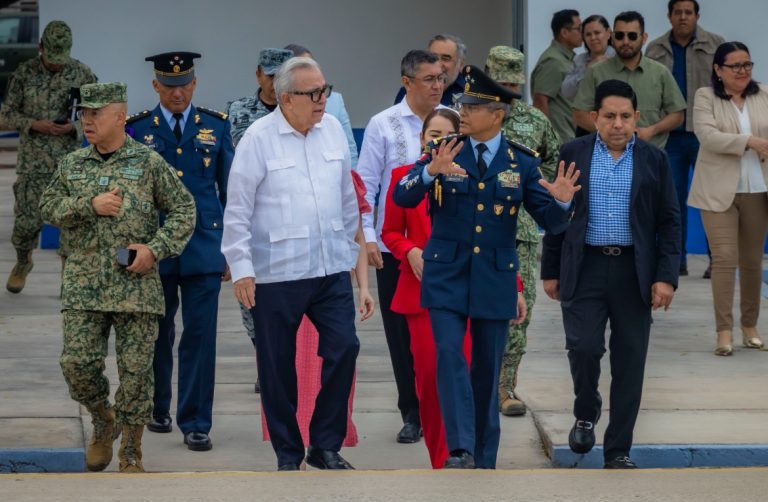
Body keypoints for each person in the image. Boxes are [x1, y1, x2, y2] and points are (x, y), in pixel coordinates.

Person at [394, 65, 578, 469]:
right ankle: (460, 448)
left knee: (486, 370)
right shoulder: (444, 150)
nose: (462, 112)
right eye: (461, 105)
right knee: (449, 356)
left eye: (472, 107)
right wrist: (429, 172)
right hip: (446, 276)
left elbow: (550, 221)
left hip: (494, 279)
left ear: (497, 114)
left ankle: (483, 458)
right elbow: (402, 196)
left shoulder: (521, 162)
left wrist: (563, 201)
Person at [39, 82, 196, 473]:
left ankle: (130, 450)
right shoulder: (73, 164)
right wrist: (88, 204)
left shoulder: (147, 162)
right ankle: (102, 417)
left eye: (96, 113)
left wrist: (154, 249)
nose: (87, 121)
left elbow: (184, 209)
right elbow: (48, 206)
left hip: (135, 288)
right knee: (76, 364)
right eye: (84, 113)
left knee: (136, 374)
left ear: (120, 117)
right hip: (84, 286)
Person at [221, 57, 360, 471]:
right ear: (285, 98)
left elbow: (347, 198)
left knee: (345, 348)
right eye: (312, 93)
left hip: (330, 268)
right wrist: (242, 269)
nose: (322, 100)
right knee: (277, 366)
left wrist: (350, 253)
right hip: (277, 272)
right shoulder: (258, 139)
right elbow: (237, 210)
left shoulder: (332, 130)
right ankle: (288, 452)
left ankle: (325, 444)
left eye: (324, 90)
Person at [541, 79, 681, 469]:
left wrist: (666, 276)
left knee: (630, 360)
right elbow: (558, 212)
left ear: (636, 117)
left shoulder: (654, 160)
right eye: (609, 116)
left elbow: (670, 222)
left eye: (624, 116)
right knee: (583, 347)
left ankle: (618, 449)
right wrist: (550, 269)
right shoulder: (574, 153)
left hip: (634, 271)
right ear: (594, 117)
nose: (617, 124)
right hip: (584, 266)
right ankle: (586, 410)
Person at [129, 52, 234, 452]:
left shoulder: (215, 126)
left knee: (200, 336)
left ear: (195, 84)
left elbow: (231, 193)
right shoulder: (138, 129)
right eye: (170, 86)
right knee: (157, 332)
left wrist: (232, 250)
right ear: (156, 85)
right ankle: (159, 408)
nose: (178, 93)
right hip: (155, 247)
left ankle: (196, 422)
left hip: (204, 246)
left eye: (185, 85)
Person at [357, 49, 446, 444]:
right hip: (395, 246)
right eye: (429, 79)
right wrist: (368, 237)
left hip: (444, 245)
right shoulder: (384, 124)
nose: (437, 85)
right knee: (401, 335)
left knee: (445, 331)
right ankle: (411, 412)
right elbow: (366, 184)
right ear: (406, 82)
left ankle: (443, 406)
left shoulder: (451, 119)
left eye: (441, 77)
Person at [382, 108, 470, 468]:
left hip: (467, 289)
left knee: (467, 373)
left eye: (446, 135)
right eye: (433, 134)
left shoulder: (472, 175)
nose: (438, 141)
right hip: (421, 292)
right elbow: (389, 232)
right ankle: (442, 457)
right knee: (431, 379)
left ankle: (468, 452)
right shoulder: (403, 177)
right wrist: (409, 250)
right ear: (421, 138)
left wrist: (515, 286)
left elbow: (496, 236)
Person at [485, 46, 560, 417]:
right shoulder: (468, 115)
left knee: (519, 312)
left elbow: (553, 161)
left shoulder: (534, 120)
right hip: (477, 230)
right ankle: (477, 384)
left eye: (514, 85)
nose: (509, 92)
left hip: (521, 230)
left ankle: (505, 387)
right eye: (502, 84)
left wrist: (527, 185)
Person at [3, 20, 96, 293]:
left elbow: (98, 113)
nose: (56, 64)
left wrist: (74, 127)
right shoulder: (24, 73)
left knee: (72, 221)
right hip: (33, 163)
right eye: (51, 57)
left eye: (61, 57)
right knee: (25, 223)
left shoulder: (83, 74)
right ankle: (23, 261)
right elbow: (6, 114)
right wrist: (34, 124)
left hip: (70, 163)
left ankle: (69, 275)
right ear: (41, 47)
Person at [688, 42, 768, 356]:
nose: (742, 71)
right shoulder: (705, 97)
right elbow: (708, 136)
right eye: (734, 66)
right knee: (724, 258)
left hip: (757, 190)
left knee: (752, 261)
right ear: (718, 70)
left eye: (747, 64)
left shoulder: (764, 94)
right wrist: (749, 141)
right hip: (717, 190)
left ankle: (750, 326)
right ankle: (724, 330)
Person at [226, 47, 294, 394]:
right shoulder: (237, 111)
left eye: (281, 76)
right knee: (250, 303)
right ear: (258, 75)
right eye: (269, 75)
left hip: (288, 217)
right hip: (250, 219)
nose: (274, 82)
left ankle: (280, 366)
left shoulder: (297, 111)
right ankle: (264, 361)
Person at [646, 0, 724, 277]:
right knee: (672, 201)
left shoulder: (715, 45)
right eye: (677, 12)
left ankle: (717, 259)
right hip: (669, 135)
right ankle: (676, 260)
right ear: (669, 16)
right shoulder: (655, 49)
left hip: (707, 134)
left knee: (712, 199)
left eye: (688, 12)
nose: (682, 17)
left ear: (697, 16)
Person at [572, 11, 687, 149]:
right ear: (612, 37)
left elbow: (677, 115)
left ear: (644, 38)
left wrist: (651, 131)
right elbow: (579, 114)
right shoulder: (596, 72)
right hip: (605, 154)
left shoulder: (660, 73)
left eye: (632, 36)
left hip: (649, 152)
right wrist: (608, 133)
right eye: (620, 36)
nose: (625, 41)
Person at [284, 44, 359, 167]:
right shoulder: (262, 131)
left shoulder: (334, 106)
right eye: (302, 67)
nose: (322, 100)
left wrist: (353, 174)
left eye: (311, 64)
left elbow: (350, 151)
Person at [531, 9, 582, 144]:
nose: (583, 33)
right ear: (564, 33)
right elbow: (540, 101)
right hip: (560, 140)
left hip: (571, 136)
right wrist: (548, 140)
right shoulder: (553, 61)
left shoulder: (570, 59)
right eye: (579, 29)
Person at [394, 34, 466, 107]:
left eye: (445, 59)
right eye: (433, 58)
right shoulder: (410, 89)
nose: (438, 64)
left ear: (461, 64)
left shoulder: (470, 93)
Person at [561, 14, 616, 110]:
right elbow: (566, 92)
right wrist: (586, 70)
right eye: (588, 34)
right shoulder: (579, 60)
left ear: (608, 33)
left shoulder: (619, 58)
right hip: (584, 115)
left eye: (597, 33)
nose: (593, 38)